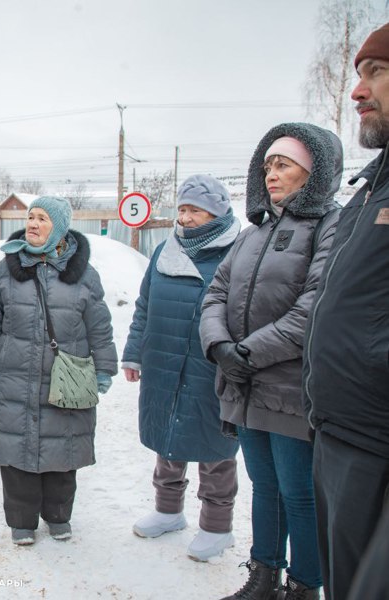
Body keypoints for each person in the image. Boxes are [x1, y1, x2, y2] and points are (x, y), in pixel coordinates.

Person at [201, 123, 342, 600]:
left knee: (298, 493)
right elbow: (216, 292)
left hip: (289, 385)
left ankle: (304, 586)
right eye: (267, 166)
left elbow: (315, 307)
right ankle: (264, 577)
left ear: (313, 171)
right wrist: (219, 346)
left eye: (283, 165)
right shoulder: (254, 232)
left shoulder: (331, 225)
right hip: (244, 383)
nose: (271, 175)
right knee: (264, 487)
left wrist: (246, 353)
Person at [0, 196, 117, 545]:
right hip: (14, 376)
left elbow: (100, 325)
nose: (33, 224)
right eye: (31, 217)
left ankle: (58, 515)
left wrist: (104, 368)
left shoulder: (84, 275)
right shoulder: (7, 269)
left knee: (63, 451)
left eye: (43, 219)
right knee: (16, 452)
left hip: (65, 379)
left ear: (61, 227)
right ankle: (21, 521)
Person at [304, 23, 389, 600]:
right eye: (357, 73)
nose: (358, 90)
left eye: (376, 71)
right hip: (339, 429)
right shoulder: (371, 188)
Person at [122, 175, 241, 562]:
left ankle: (217, 527)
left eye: (195, 210)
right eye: (183, 209)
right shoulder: (165, 251)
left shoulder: (238, 252)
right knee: (168, 436)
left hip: (212, 366)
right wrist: (135, 352)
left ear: (218, 213)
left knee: (215, 446)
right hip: (165, 359)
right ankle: (168, 510)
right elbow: (144, 304)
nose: (186, 218)